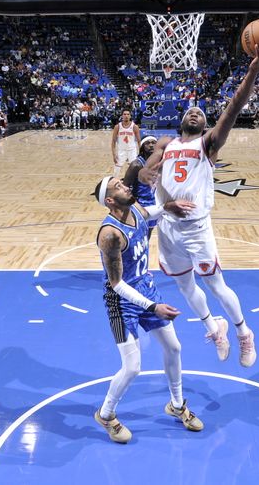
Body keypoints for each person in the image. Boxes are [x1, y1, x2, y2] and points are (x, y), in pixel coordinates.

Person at [140, 40, 259, 367]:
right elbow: (149, 167)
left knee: (216, 286)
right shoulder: (166, 142)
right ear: (181, 120)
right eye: (190, 110)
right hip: (167, 227)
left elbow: (234, 106)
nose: (194, 111)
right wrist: (147, 172)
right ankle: (213, 328)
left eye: (200, 113)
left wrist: (253, 71)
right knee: (185, 288)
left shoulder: (208, 144)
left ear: (206, 125)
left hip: (196, 228)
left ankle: (244, 332)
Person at [93, 176, 201, 443]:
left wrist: (168, 206)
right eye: (118, 186)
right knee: (132, 367)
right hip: (123, 301)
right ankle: (106, 414)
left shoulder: (136, 210)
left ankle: (177, 405)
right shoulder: (110, 234)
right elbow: (116, 283)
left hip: (146, 288)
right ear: (109, 200)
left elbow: (151, 210)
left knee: (174, 347)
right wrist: (154, 307)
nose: (126, 187)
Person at [123, 135, 158, 235]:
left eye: (153, 142)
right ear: (142, 146)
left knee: (148, 234)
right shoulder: (136, 165)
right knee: (137, 235)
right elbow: (125, 187)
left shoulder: (158, 163)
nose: (151, 145)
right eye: (148, 143)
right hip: (140, 206)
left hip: (153, 205)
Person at [111, 109, 141, 177]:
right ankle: (114, 183)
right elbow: (113, 142)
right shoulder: (117, 127)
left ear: (130, 116)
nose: (126, 116)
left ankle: (134, 184)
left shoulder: (134, 127)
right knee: (116, 170)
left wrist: (140, 152)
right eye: (124, 114)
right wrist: (114, 154)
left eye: (128, 114)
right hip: (121, 150)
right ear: (122, 116)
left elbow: (139, 141)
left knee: (134, 169)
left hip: (132, 151)